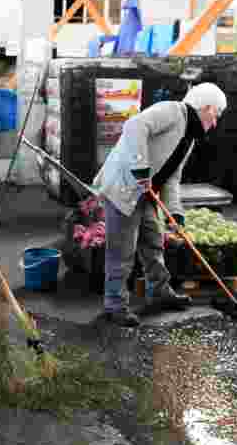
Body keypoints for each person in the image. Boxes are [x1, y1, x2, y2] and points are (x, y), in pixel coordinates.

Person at [93, 82, 228, 328]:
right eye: (216, 114)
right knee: (122, 252)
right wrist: (140, 166)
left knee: (154, 243)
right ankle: (115, 306)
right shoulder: (173, 111)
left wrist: (176, 213)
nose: (215, 122)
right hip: (124, 189)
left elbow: (171, 178)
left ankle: (160, 292)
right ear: (207, 107)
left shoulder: (189, 137)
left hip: (147, 194)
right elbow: (135, 125)